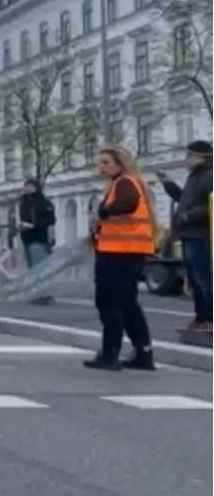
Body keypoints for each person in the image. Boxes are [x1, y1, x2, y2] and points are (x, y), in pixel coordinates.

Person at [85, 145, 155, 371]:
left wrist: (105, 211)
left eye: (106, 162)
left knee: (109, 303)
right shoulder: (127, 182)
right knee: (128, 304)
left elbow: (128, 203)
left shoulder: (125, 183)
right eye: (100, 163)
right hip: (130, 252)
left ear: (120, 163)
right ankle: (143, 352)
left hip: (118, 253)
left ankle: (110, 353)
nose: (102, 167)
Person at [157, 140, 214, 331]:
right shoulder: (194, 177)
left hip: (202, 234)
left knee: (204, 278)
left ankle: (210, 318)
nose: (186, 159)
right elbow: (183, 200)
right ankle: (201, 317)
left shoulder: (210, 176)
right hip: (189, 234)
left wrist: (189, 215)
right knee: (195, 280)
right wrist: (168, 184)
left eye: (189, 155)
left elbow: (211, 205)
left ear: (201, 157)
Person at [17, 178, 56, 267]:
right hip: (26, 237)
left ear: (36, 188)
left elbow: (50, 220)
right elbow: (22, 216)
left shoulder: (44, 202)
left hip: (39, 237)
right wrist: (21, 225)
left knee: (39, 263)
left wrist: (33, 225)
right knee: (31, 263)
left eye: (29, 186)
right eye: (26, 187)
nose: (27, 189)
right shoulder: (23, 202)